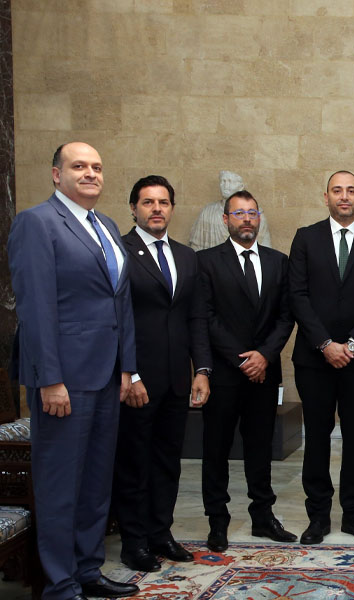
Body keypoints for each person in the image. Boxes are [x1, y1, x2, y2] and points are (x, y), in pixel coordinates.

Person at [8, 142, 140, 600]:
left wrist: (128, 369)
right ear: (56, 174)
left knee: (95, 483)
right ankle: (60, 584)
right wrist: (49, 379)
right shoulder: (37, 222)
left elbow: (120, 303)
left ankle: (88, 571)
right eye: (78, 166)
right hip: (63, 380)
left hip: (106, 375)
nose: (90, 174)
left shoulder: (106, 226)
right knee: (61, 485)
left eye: (97, 167)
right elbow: (35, 308)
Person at [289, 171, 354, 545]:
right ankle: (318, 518)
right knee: (317, 439)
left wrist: (351, 345)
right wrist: (325, 344)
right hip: (314, 360)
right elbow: (297, 295)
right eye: (337, 190)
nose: (344, 196)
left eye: (351, 190)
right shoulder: (306, 238)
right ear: (326, 197)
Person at [114, 175, 212, 573]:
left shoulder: (187, 256)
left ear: (172, 208)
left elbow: (196, 317)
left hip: (176, 380)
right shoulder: (120, 251)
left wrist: (201, 369)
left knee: (168, 461)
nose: (157, 209)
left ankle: (161, 533)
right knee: (134, 462)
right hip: (137, 380)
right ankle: (133, 542)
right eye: (148, 202)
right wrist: (130, 372)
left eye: (164, 202)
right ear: (133, 208)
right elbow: (117, 318)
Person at [194, 190, 296, 552]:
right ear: (226, 220)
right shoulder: (206, 262)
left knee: (260, 449)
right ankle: (217, 522)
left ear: (259, 218)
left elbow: (286, 316)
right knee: (216, 449)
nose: (247, 219)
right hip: (224, 374)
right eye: (239, 213)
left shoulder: (278, 262)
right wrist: (242, 359)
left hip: (264, 374)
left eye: (252, 212)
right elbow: (206, 317)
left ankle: (263, 518)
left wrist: (264, 356)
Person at [188, 170, 272, 250]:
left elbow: (265, 249)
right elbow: (196, 246)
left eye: (230, 182)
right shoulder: (208, 212)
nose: (226, 186)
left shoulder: (257, 215)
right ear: (225, 218)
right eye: (223, 181)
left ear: (241, 186)